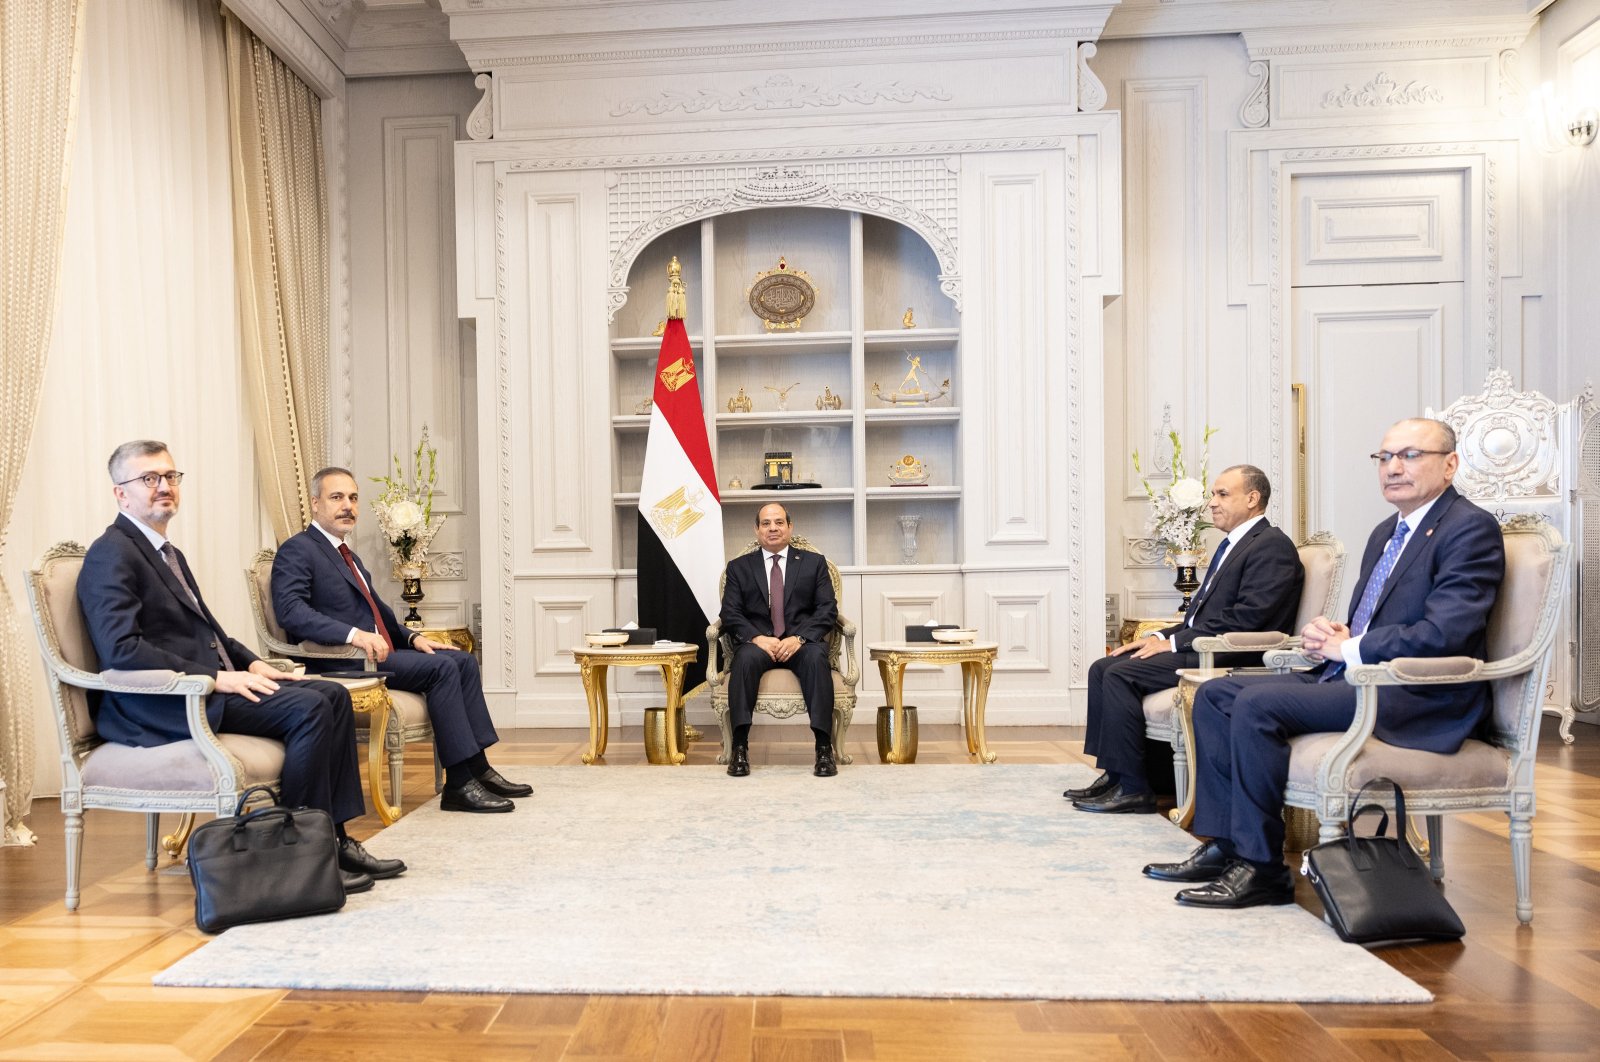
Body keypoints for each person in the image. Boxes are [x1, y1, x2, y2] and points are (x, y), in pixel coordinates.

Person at [1148, 418, 1504, 908]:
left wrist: (1351, 649)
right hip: (1362, 675)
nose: (1394, 467)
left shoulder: (1469, 528)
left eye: (1410, 455)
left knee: (1255, 706)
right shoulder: (1388, 531)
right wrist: (1337, 635)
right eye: (1385, 457)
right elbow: (1377, 621)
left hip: (1417, 692)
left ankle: (1261, 869)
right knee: (1215, 694)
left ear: (1450, 464)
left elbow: (1446, 633)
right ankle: (1225, 845)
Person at [78, 440, 403, 894]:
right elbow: (121, 649)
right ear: (121, 493)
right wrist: (216, 678)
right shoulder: (112, 552)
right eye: (149, 479)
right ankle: (295, 857)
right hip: (164, 701)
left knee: (330, 694)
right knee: (309, 709)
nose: (164, 487)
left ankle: (334, 838)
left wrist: (257, 664)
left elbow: (213, 633)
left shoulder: (165, 552)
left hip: (206, 685)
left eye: (170, 477)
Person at [271, 467, 531, 814]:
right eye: (337, 498)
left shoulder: (348, 555)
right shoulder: (298, 550)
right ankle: (458, 782)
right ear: (315, 504)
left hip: (377, 653)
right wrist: (354, 635)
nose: (347, 505)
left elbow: (378, 611)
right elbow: (291, 612)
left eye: (353, 497)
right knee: (441, 670)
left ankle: (478, 768)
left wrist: (412, 637)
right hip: (342, 659)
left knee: (463, 661)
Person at [1070, 465, 1303, 813]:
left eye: (1223, 494)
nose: (1212, 503)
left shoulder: (1272, 547)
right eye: (1212, 494)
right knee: (1103, 667)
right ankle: (1117, 774)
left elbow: (1248, 620)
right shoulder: (1233, 545)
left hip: (1228, 655)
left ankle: (1135, 789)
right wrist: (1158, 636)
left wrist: (1176, 644)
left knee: (1121, 675)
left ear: (1253, 499)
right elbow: (1201, 617)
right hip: (1203, 645)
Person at [719, 502, 840, 777]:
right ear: (757, 529)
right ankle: (739, 748)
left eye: (778, 522)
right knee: (744, 659)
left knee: (816, 658)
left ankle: (824, 749)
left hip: (800, 643)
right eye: (766, 523)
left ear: (789, 526)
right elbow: (730, 612)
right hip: (759, 643)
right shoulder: (739, 567)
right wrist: (756, 638)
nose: (772, 528)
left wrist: (799, 638)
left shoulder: (813, 563)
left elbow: (827, 609)